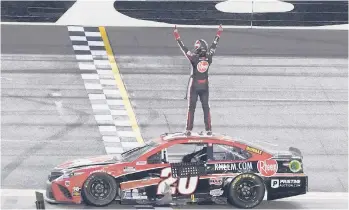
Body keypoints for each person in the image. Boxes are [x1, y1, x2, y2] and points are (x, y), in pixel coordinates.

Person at [173, 25, 223, 136]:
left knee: (191, 108)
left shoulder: (194, 58)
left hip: (195, 86)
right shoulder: (209, 57)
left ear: (198, 48)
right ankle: (209, 129)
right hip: (205, 86)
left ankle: (188, 130)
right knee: (206, 108)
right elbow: (214, 45)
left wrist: (177, 36)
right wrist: (218, 33)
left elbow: (184, 49)